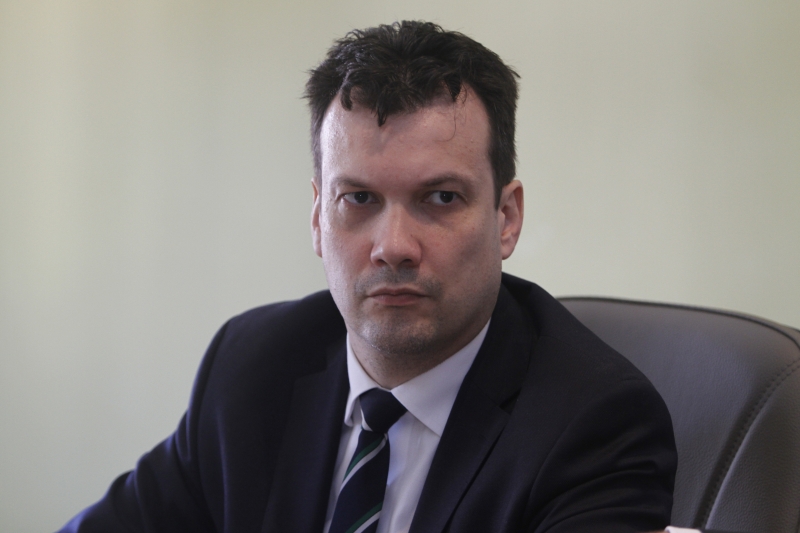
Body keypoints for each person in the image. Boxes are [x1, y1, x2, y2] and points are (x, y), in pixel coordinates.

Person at [59, 21, 679, 533]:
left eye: (440, 197)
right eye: (358, 199)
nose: (393, 247)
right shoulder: (251, 366)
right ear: (317, 217)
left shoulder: (595, 424)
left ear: (506, 218)